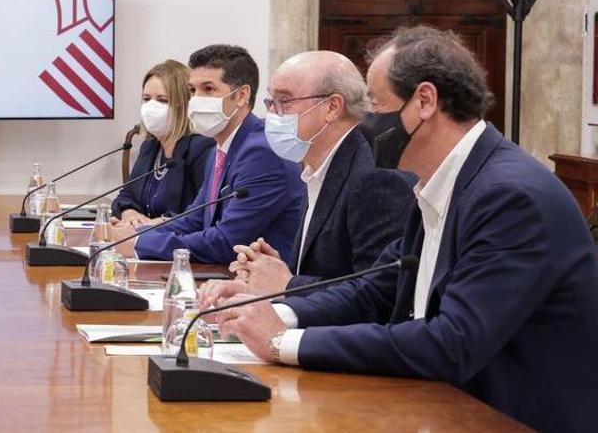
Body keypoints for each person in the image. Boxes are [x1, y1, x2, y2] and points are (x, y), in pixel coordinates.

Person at [215, 26, 598, 432]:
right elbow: (375, 289)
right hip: (440, 407)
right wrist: (270, 313)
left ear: (425, 101)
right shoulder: (439, 182)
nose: (364, 123)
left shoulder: (509, 197)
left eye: (376, 105)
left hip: (509, 419)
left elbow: (452, 342)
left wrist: (283, 343)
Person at [198, 51, 413, 305]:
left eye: (284, 102)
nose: (272, 116)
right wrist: (273, 273)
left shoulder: (374, 178)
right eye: (270, 103)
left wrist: (287, 285)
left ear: (332, 107)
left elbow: (379, 293)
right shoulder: (317, 166)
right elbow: (329, 272)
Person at [120, 45, 304, 265]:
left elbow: (227, 242)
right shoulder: (221, 148)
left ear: (241, 95)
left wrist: (139, 243)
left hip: (263, 286)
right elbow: (193, 219)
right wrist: (133, 233)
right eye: (192, 90)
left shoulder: (262, 152)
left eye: (208, 89)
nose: (196, 100)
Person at [110, 60, 214, 228]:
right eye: (146, 99)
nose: (151, 106)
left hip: (178, 246)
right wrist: (129, 213)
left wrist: (156, 224)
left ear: (184, 104)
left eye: (162, 100)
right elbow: (126, 195)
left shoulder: (202, 148)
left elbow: (203, 213)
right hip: (144, 242)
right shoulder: (150, 146)